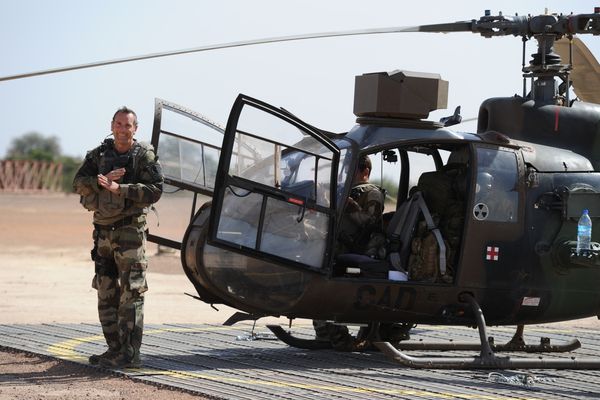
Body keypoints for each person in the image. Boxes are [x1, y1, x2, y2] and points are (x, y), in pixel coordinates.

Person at [73, 106, 163, 368]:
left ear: (136, 129)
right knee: (106, 291)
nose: (123, 130)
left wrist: (119, 188)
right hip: (102, 233)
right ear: (111, 125)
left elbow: (155, 190)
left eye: (128, 126)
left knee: (131, 294)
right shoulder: (99, 155)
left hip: (129, 233)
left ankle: (130, 354)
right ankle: (114, 350)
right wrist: (99, 182)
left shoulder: (143, 156)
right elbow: (77, 182)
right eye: (119, 124)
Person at [336, 154, 385, 256]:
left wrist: (351, 206)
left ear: (365, 172)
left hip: (350, 245)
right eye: (346, 172)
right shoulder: (344, 191)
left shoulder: (373, 193)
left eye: (351, 172)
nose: (347, 176)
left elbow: (371, 224)